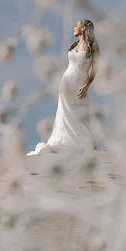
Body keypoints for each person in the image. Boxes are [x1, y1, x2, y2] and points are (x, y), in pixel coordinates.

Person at [27, 19, 99, 156]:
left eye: (77, 25)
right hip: (66, 82)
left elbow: (95, 68)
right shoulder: (74, 45)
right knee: (64, 113)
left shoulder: (92, 46)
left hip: (81, 83)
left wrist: (87, 86)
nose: (74, 27)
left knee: (80, 113)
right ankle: (66, 143)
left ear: (84, 28)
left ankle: (84, 143)